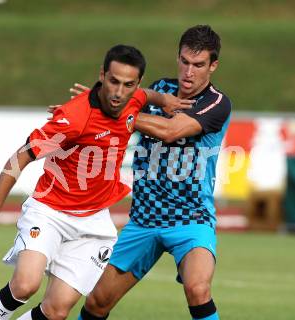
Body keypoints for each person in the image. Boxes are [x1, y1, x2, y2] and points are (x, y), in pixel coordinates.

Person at [0, 44, 190, 320]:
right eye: (114, 81)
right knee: (25, 285)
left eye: (128, 84)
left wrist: (164, 101)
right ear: (102, 75)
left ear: (137, 83)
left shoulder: (135, 98)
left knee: (57, 311)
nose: (119, 92)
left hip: (93, 222)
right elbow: (20, 157)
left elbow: (146, 96)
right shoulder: (74, 117)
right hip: (50, 211)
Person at [71, 25, 231, 320]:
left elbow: (171, 131)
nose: (189, 71)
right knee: (97, 302)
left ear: (213, 66)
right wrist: (97, 106)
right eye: (184, 61)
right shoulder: (160, 91)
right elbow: (120, 109)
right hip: (144, 219)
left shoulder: (216, 103)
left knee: (197, 289)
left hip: (190, 218)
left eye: (198, 65)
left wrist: (113, 109)